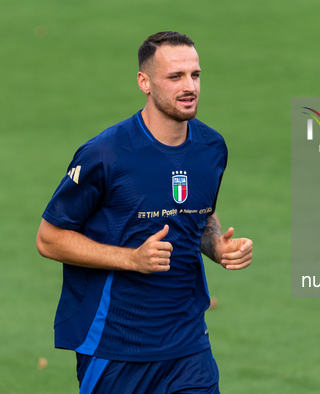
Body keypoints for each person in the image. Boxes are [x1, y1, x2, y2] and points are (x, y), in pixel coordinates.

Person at [36, 31, 253, 394]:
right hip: (116, 347)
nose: (190, 87)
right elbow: (49, 238)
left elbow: (198, 214)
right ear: (145, 82)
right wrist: (132, 259)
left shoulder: (211, 147)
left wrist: (217, 246)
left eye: (195, 75)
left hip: (188, 345)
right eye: (175, 77)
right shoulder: (105, 154)